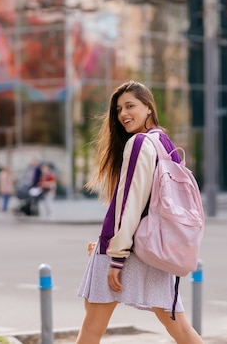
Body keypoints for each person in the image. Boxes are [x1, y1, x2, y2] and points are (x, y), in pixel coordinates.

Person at [76, 81, 203, 344]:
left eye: (130, 106)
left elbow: (128, 205)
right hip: (156, 249)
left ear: (148, 107)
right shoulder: (165, 144)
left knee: (90, 330)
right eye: (119, 109)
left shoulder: (138, 143)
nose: (123, 114)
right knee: (180, 330)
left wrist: (116, 256)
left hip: (127, 252)